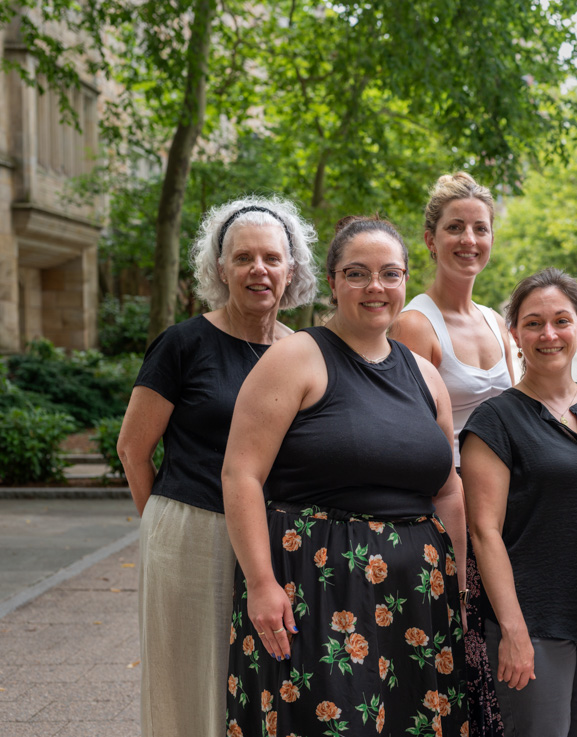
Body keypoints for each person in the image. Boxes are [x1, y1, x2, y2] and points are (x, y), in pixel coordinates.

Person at [221, 216, 468, 737]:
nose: (375, 287)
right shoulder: (294, 359)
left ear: (405, 281)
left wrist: (459, 585)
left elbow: (447, 489)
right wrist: (261, 584)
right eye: (357, 273)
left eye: (390, 274)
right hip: (318, 591)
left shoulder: (424, 375)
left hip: (418, 597)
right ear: (332, 282)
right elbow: (241, 473)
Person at [117, 195, 318, 737]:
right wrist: (164, 522)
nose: (259, 269)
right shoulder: (183, 344)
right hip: (193, 531)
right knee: (190, 682)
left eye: (272, 258)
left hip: (277, 538)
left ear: (291, 270)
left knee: (272, 683)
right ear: (219, 268)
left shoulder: (303, 351)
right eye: (243, 257)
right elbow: (133, 449)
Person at [461, 268, 577, 737]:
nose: (549, 334)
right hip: (535, 622)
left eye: (562, 321)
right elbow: (484, 533)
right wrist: (512, 629)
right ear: (515, 335)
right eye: (533, 323)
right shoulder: (494, 422)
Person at [392, 171, 515, 737]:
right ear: (430, 239)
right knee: (465, 648)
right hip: (455, 507)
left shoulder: (496, 319)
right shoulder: (415, 325)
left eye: (480, 228)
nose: (469, 239)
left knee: (505, 642)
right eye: (455, 228)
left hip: (512, 501)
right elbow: (411, 440)